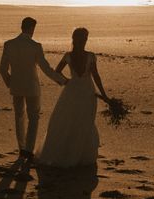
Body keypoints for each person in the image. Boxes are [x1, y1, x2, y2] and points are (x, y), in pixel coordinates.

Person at [36, 27, 108, 168]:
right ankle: (80, 155)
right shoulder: (91, 56)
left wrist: (66, 81)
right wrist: (104, 95)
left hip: (72, 90)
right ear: (82, 39)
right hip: (87, 91)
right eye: (85, 38)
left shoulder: (68, 55)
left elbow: (57, 72)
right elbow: (96, 76)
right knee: (84, 121)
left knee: (68, 120)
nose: (86, 40)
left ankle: (67, 152)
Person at [0, 17, 67, 160]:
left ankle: (22, 148)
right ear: (31, 28)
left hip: (16, 87)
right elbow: (45, 68)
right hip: (32, 87)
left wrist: (10, 83)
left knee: (19, 116)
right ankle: (28, 150)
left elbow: (3, 69)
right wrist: (60, 80)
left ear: (22, 27)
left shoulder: (9, 44)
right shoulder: (35, 46)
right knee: (33, 118)